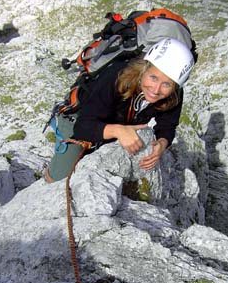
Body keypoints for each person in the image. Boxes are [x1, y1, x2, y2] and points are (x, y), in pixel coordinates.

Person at [44, 37, 195, 182]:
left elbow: (167, 126)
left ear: (175, 86)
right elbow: (82, 127)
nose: (156, 90)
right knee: (60, 178)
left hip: (118, 123)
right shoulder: (117, 76)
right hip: (79, 120)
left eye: (166, 84)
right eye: (153, 78)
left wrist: (162, 144)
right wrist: (118, 131)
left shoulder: (174, 94)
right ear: (144, 68)